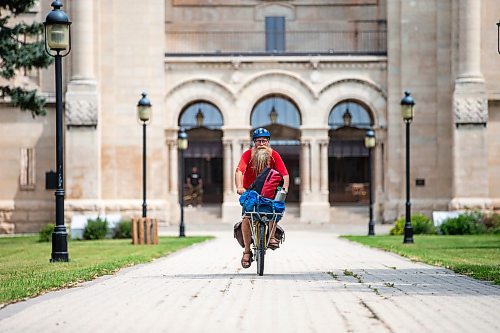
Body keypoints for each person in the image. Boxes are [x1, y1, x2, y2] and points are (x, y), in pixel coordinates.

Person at [235, 127, 289, 268]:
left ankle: (271, 237)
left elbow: (285, 174)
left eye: (264, 141)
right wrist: (240, 187)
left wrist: (285, 189)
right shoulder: (248, 154)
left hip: (269, 192)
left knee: (274, 210)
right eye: (258, 141)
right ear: (254, 142)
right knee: (247, 218)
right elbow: (239, 171)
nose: (261, 144)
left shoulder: (274, 155)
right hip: (251, 193)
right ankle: (247, 251)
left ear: (268, 142)